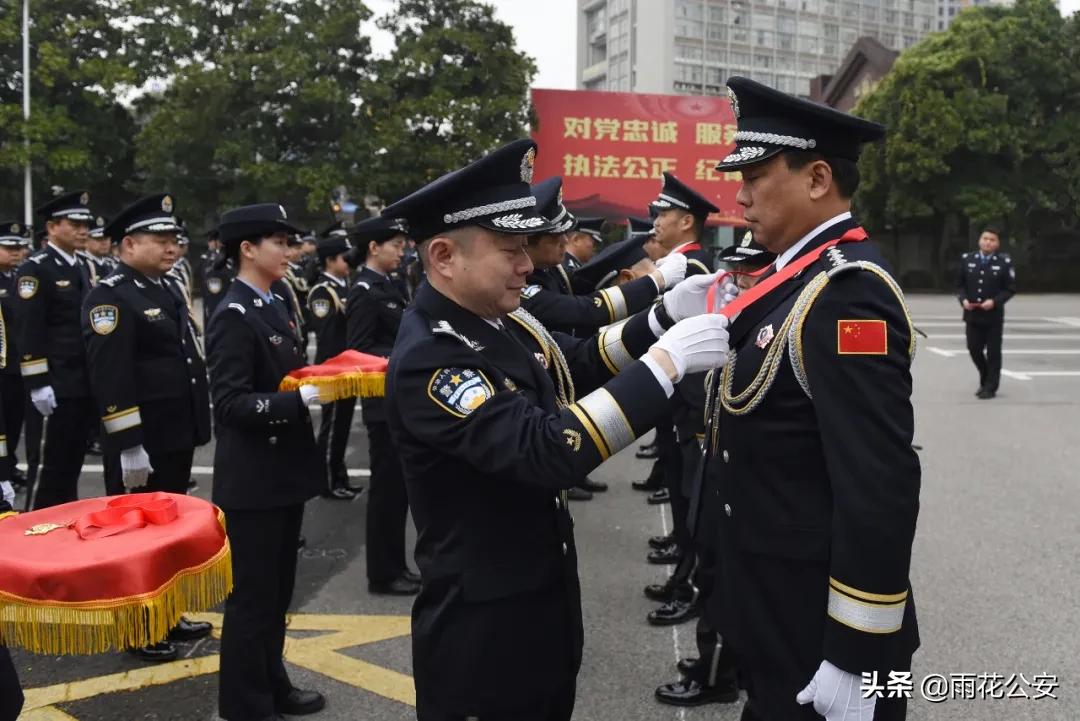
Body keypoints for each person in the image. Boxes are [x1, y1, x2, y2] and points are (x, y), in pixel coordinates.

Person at [381, 138, 731, 721]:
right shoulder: (433, 356)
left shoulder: (496, 317)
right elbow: (546, 452)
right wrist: (665, 366)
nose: (528, 264)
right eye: (509, 249)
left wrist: (663, 316)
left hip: (534, 603)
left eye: (525, 247)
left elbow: (580, 359)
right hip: (484, 633)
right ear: (443, 255)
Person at [695, 76, 921, 721]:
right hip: (774, 603)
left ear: (818, 179)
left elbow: (879, 478)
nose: (739, 195)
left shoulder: (848, 291)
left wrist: (858, 651)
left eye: (756, 175)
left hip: (819, 623)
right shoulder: (793, 280)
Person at [207, 203, 327, 721]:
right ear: (247, 249)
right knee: (252, 602)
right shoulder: (233, 314)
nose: (289, 250)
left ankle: (272, 685)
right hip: (253, 482)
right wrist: (293, 404)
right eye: (277, 241)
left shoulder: (274, 301)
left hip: (282, 476)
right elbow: (231, 404)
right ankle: (245, 705)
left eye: (289, 240)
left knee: (276, 596)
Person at [81, 194, 214, 662]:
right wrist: (128, 445)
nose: (170, 248)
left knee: (166, 531)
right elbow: (111, 376)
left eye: (173, 240)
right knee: (137, 536)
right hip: (144, 439)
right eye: (158, 240)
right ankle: (138, 628)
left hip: (174, 432)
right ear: (128, 244)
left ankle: (167, 613)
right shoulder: (111, 296)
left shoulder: (165, 287)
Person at [653, 231, 776, 709]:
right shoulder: (745, 314)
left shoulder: (770, 320)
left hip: (732, 464)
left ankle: (717, 670)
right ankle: (719, 662)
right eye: (740, 269)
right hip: (714, 453)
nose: (740, 278)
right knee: (708, 555)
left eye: (753, 269)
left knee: (722, 572)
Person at [642, 173, 718, 582]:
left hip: (688, 402)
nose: (656, 220)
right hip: (673, 398)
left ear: (686, 221)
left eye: (664, 212)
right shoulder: (677, 264)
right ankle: (683, 559)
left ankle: (687, 578)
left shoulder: (694, 267)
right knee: (677, 480)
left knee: (692, 491)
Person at [344, 215, 420, 595]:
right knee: (387, 490)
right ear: (374, 247)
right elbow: (357, 349)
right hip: (380, 402)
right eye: (395, 245)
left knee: (399, 490)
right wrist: (399, 358)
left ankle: (396, 566)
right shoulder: (364, 290)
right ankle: (383, 572)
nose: (401, 251)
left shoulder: (390, 284)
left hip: (398, 399)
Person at [17, 190, 97, 509]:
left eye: (85, 224)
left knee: (70, 465)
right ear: (52, 227)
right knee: (47, 469)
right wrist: (37, 383)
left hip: (79, 383)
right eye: (74, 223)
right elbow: (29, 329)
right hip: (53, 385)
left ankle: (63, 533)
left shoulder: (79, 266)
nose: (83, 230)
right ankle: (32, 535)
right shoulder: (36, 268)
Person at [307, 233, 359, 501]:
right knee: (332, 429)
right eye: (344, 257)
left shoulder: (344, 286)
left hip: (348, 369)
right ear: (330, 260)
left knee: (342, 427)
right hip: (334, 371)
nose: (349, 262)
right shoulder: (323, 291)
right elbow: (327, 340)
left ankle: (340, 476)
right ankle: (327, 481)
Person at [955, 227, 1014, 399]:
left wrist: (995, 301)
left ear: (997, 244)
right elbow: (959, 285)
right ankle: (985, 377)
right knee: (974, 349)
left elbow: (1010, 289)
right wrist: (963, 300)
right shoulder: (967, 259)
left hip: (993, 316)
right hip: (972, 314)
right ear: (980, 240)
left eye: (992, 239)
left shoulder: (1004, 262)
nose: (988, 242)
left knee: (994, 352)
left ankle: (990, 387)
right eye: (985, 238)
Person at [0, 222, 29, 491]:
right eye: (9, 247)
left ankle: (8, 466)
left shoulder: (18, 278)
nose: (16, 252)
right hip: (2, 366)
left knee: (14, 422)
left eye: (19, 247)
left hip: (17, 364)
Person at [81, 215, 119, 284]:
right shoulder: (82, 263)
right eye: (99, 239)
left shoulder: (113, 263)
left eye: (106, 238)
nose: (104, 243)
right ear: (86, 239)